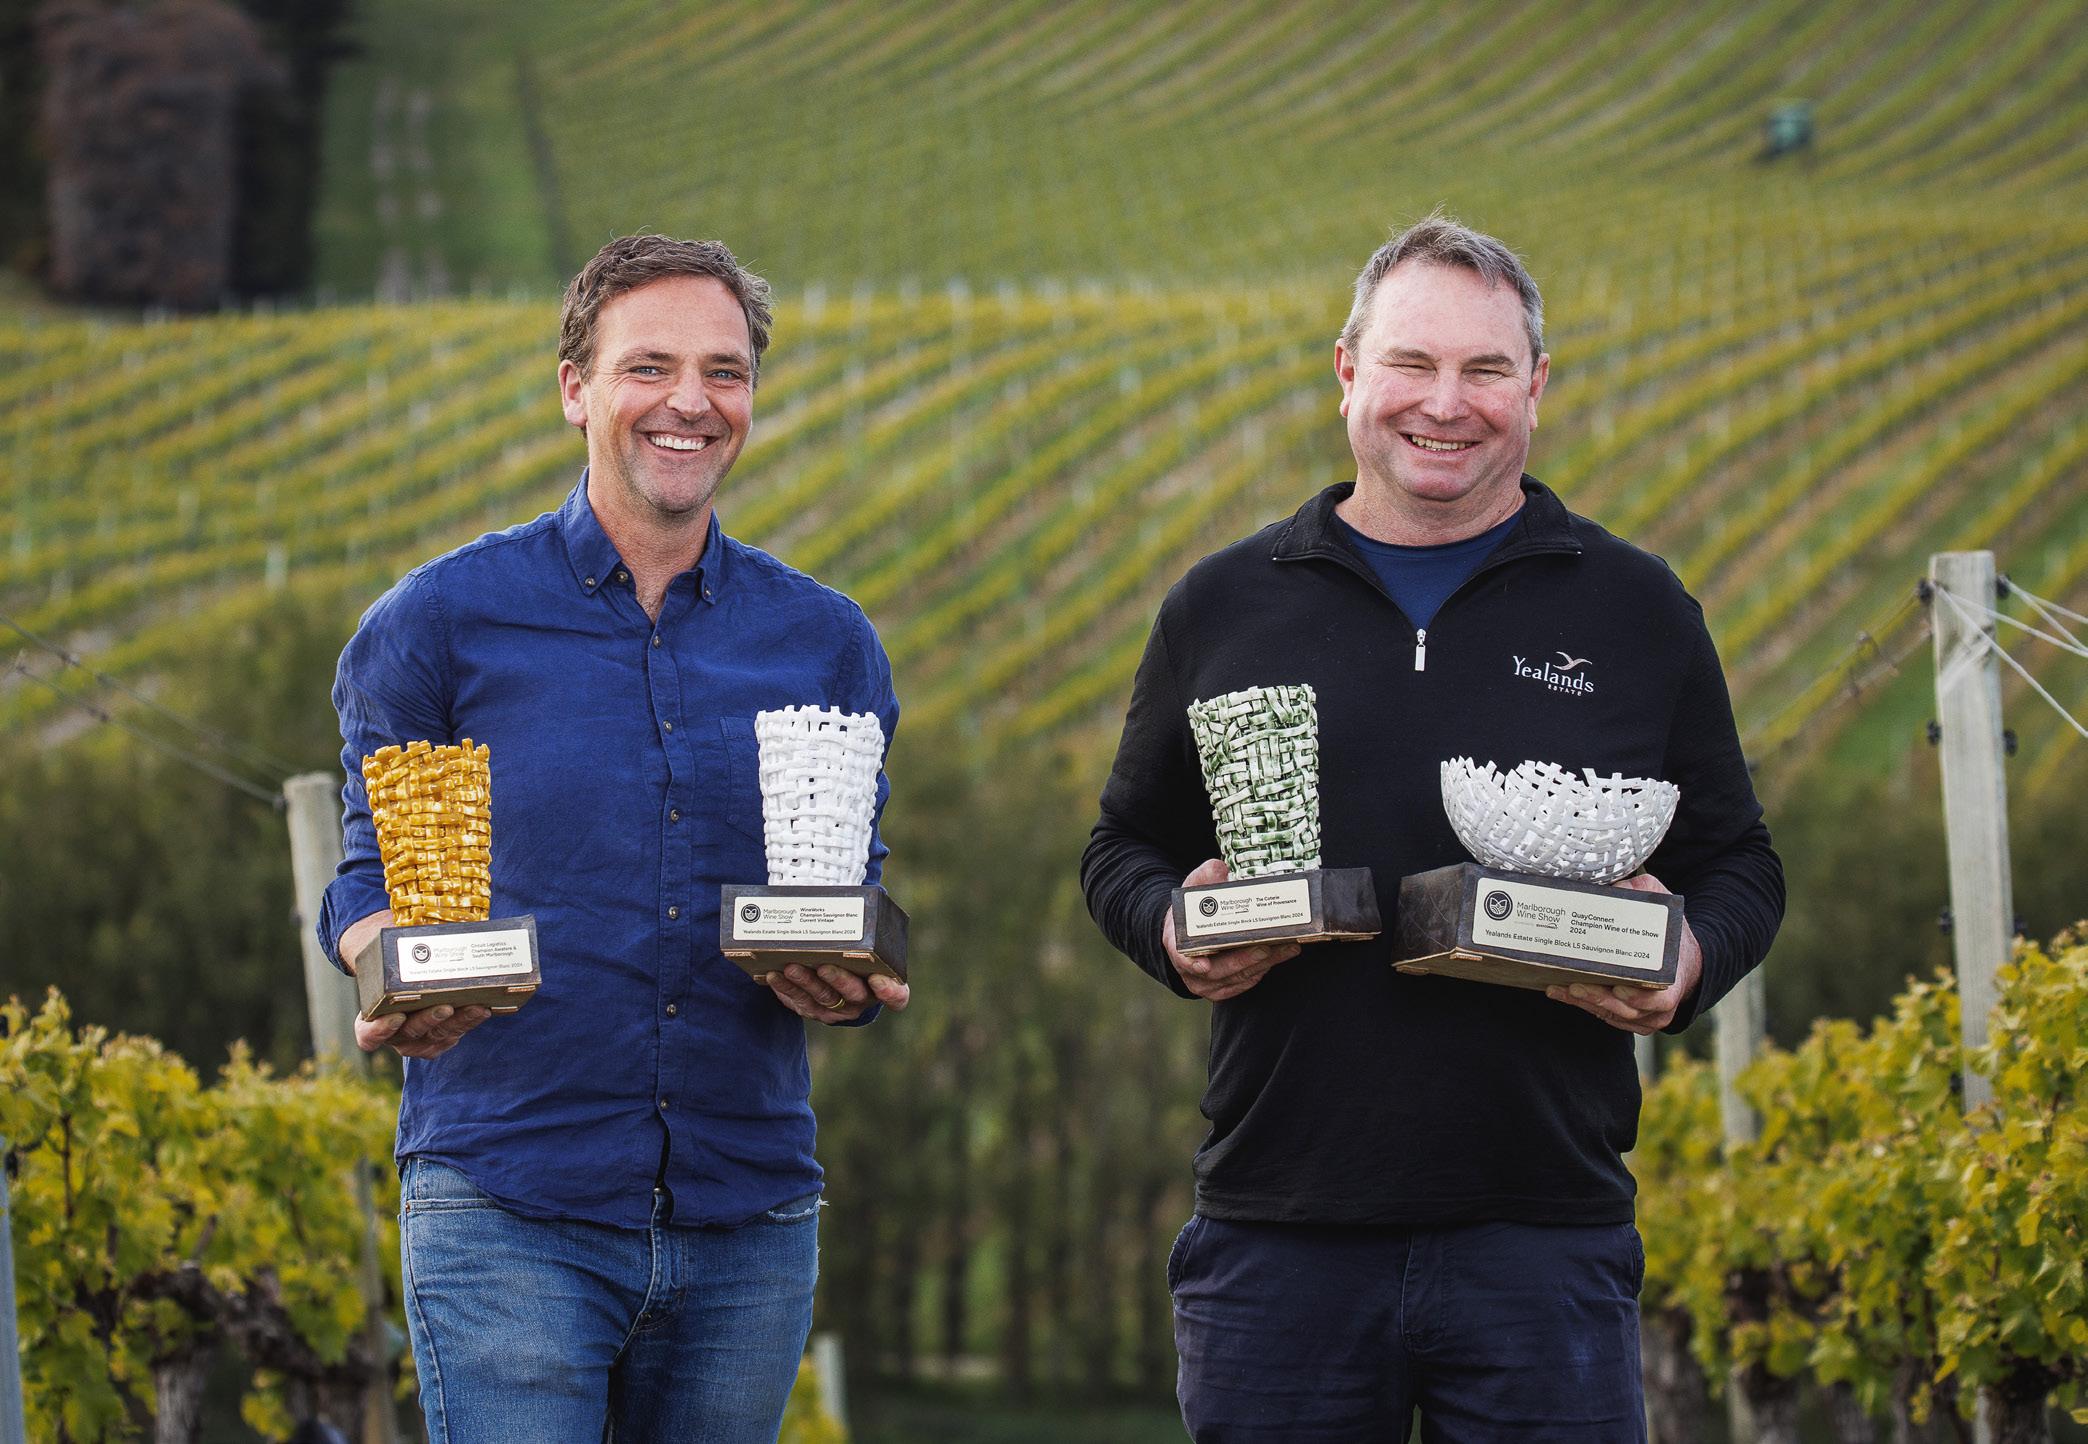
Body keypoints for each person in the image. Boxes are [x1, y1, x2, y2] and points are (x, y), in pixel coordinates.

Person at [1081, 215, 1784, 1442]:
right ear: (1348, 371)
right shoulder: (1224, 604)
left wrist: (1687, 959)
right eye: (1413, 363)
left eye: (1485, 369)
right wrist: (1171, 929)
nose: (1445, 404)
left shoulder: (1635, 608)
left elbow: (1739, 866)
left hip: (1545, 1241)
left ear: (1537, 386)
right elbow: (1120, 850)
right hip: (1279, 1237)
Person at [319, 234, 908, 1443]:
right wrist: (388, 970)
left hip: (746, 1217)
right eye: (650, 366)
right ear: (574, 388)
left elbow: (846, 889)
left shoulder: (826, 642)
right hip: (509, 1207)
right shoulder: (436, 624)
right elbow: (367, 880)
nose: (691, 400)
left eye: (725, 371)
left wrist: (853, 981)